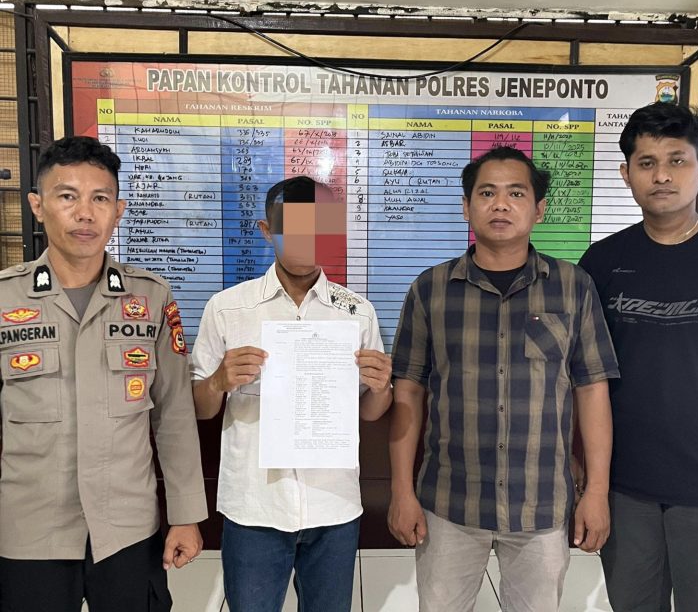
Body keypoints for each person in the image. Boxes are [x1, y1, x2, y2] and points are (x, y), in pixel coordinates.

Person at [387, 146, 618, 611]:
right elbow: (407, 392)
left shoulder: (573, 287)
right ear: (466, 206)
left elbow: (593, 390)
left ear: (539, 209)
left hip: (541, 502)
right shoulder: (430, 289)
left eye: (516, 193)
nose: (501, 204)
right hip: (449, 501)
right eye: (487, 193)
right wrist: (401, 491)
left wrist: (596, 492)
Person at [0, 136, 207, 612]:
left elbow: (174, 415)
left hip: (127, 529)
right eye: (67, 196)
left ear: (119, 210)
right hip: (31, 530)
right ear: (37, 205)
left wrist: (186, 515)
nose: (85, 214)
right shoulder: (6, 299)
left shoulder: (150, 297)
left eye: (100, 198)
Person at [579, 102, 698, 612]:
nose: (661, 175)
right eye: (646, 163)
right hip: (624, 487)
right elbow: (584, 380)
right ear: (627, 174)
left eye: (676, 161)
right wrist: (589, 478)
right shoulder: (602, 262)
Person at [191, 176, 393, 612]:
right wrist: (219, 381)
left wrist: (380, 386)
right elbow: (201, 408)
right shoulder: (227, 308)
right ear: (267, 230)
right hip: (255, 507)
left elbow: (372, 411)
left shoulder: (357, 312)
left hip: (334, 505)